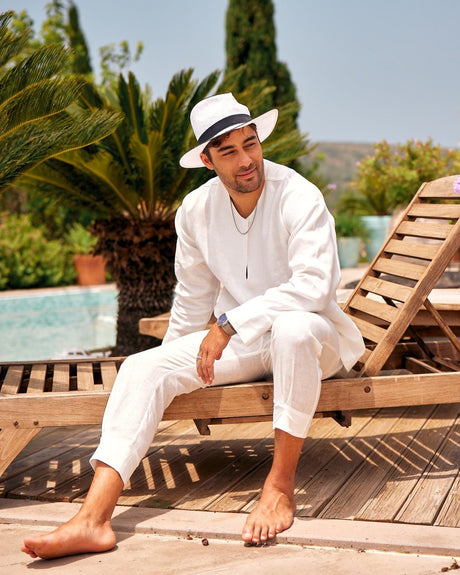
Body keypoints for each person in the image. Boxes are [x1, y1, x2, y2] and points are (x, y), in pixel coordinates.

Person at [22, 93, 364, 560]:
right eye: (229, 151)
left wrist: (227, 326)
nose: (246, 160)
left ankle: (279, 488)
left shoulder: (299, 195)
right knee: (143, 367)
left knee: (292, 329)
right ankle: (92, 519)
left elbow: (313, 288)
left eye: (251, 144)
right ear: (207, 159)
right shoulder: (196, 209)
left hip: (315, 340)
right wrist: (173, 366)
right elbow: (192, 298)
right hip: (249, 344)